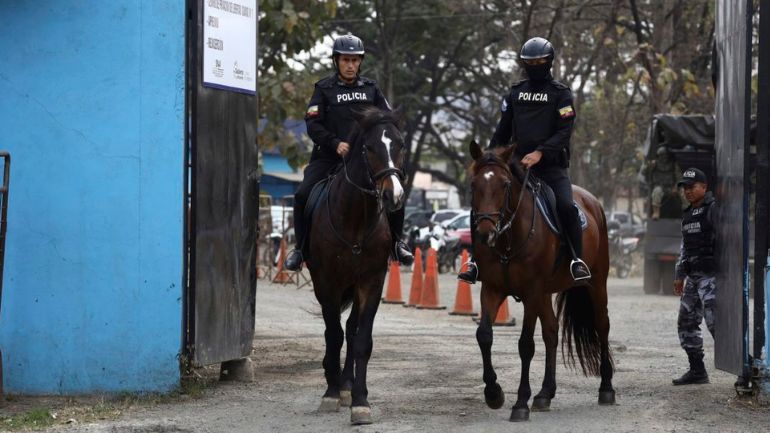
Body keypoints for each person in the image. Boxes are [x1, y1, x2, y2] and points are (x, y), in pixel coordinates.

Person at [458, 36, 591, 284]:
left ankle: (576, 260)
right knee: (482, 201)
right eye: (530, 62)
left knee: (566, 206)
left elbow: (564, 132)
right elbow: (502, 130)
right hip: (516, 166)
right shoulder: (515, 93)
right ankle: (475, 262)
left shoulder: (561, 95)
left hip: (551, 167)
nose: (535, 66)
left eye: (540, 61)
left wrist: (541, 152)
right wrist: (489, 158)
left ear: (549, 62)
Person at [283, 33, 414, 271]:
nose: (351, 65)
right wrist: (334, 143)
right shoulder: (323, 89)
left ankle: (397, 243)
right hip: (329, 158)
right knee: (302, 195)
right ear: (336, 61)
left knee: (394, 190)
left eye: (355, 60)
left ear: (360, 62)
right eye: (346, 60)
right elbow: (313, 124)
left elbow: (388, 117)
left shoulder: (371, 89)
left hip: (365, 160)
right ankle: (300, 251)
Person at [672, 167, 716, 385]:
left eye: (692, 187)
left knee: (715, 323)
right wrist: (679, 274)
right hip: (693, 277)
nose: (688, 191)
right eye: (685, 188)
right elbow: (685, 248)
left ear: (704, 187)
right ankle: (698, 371)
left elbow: (729, 243)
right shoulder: (687, 215)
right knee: (686, 322)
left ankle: (744, 371)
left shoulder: (714, 210)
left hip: (712, 277)